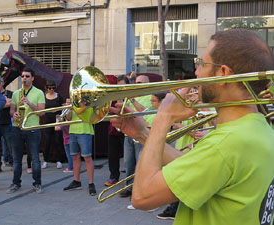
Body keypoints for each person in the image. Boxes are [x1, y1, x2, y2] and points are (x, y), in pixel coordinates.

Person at [110, 29, 274, 225]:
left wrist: (163, 117)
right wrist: (143, 134)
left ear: (223, 73)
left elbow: (142, 196)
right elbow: (198, 167)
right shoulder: (261, 129)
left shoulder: (225, 144)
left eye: (202, 64)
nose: (196, 72)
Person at [7, 67, 45, 194]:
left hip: (32, 129)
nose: (24, 78)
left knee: (34, 158)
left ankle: (37, 184)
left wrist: (29, 103)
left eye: (27, 76)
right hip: (17, 128)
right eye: (23, 76)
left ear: (33, 78)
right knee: (16, 158)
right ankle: (16, 183)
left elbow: (41, 113)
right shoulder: (17, 93)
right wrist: (14, 114)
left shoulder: (39, 93)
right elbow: (12, 110)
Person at [119, 75, 152, 199]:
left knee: (140, 163)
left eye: (139, 82)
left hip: (141, 133)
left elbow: (144, 111)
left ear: (146, 84)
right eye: (135, 82)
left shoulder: (149, 97)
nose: (136, 84)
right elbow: (122, 111)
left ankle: (139, 189)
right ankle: (129, 187)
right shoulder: (129, 99)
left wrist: (132, 100)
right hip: (128, 134)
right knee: (128, 162)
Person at [63, 106, 96, 196]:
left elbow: (82, 113)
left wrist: (73, 107)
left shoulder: (87, 102)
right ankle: (76, 181)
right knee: (75, 157)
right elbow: (68, 119)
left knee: (87, 157)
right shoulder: (74, 103)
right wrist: (68, 111)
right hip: (73, 130)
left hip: (85, 131)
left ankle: (91, 183)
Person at [104, 75, 128, 187]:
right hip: (114, 129)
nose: (121, 88)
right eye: (119, 86)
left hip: (127, 130)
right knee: (112, 155)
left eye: (123, 85)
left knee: (129, 158)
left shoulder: (131, 97)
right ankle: (113, 177)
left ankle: (129, 180)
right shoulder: (112, 97)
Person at [42, 80, 65, 169]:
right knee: (47, 142)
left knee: (58, 141)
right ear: (46, 88)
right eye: (49, 88)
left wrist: (59, 120)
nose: (51, 90)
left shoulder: (59, 96)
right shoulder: (44, 97)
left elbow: (63, 109)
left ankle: (59, 160)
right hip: (47, 122)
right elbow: (41, 108)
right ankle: (45, 160)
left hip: (57, 121)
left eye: (53, 88)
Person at [0, 84, 13, 173]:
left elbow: (13, 104)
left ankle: (13, 164)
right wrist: (5, 103)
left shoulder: (9, 93)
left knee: (10, 145)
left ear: (1, 83)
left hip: (6, 123)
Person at [55, 98, 73, 173]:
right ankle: (73, 167)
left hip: (67, 140)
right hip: (71, 138)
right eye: (67, 103)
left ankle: (70, 168)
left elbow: (56, 128)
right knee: (73, 154)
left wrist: (57, 119)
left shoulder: (65, 123)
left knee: (69, 155)